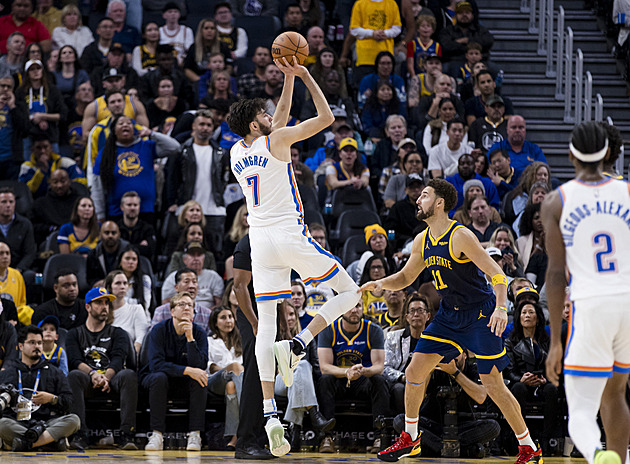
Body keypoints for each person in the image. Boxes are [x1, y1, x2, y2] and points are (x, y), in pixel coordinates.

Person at [226, 57, 362, 457]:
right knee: (350, 293)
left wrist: (286, 81)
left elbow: (278, 121)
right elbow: (326, 116)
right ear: (256, 123)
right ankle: (301, 343)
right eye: (263, 114)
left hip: (259, 240)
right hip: (289, 235)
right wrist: (304, 76)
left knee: (266, 325)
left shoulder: (237, 152)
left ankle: (270, 414)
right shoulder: (278, 141)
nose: (271, 115)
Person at [361, 178, 542, 464]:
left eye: (424, 195)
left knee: (493, 384)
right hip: (448, 314)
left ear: (439, 203)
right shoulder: (422, 239)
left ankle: (529, 447)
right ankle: (411, 437)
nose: (418, 200)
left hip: (480, 314)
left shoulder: (460, 236)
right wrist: (380, 283)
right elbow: (407, 277)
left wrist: (501, 307)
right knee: (414, 371)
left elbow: (496, 273)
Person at [543, 121, 630, 464]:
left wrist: (554, 341)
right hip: (627, 301)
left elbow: (554, 274)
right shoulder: (627, 192)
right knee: (616, 394)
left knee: (580, 409)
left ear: (570, 154)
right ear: (608, 153)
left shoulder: (555, 201)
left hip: (591, 304)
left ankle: (599, 456)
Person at [66, 287, 138, 450]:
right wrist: (93, 374)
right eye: (98, 303)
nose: (104, 306)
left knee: (129, 375)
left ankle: (126, 435)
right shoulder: (74, 334)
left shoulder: (118, 333)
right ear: (87, 307)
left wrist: (105, 376)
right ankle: (79, 434)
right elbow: (75, 360)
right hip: (87, 380)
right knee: (73, 375)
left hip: (111, 381)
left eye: (106, 303)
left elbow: (119, 359)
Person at [317, 300, 388, 453]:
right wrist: (346, 372)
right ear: (341, 309)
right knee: (324, 380)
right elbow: (324, 367)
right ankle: (326, 437)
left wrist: (362, 371)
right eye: (349, 306)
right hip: (340, 381)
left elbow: (379, 366)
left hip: (363, 380)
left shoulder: (373, 330)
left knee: (379, 381)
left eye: (358, 306)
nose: (354, 310)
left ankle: (379, 437)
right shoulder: (329, 330)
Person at [140, 291, 208, 451]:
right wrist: (187, 370)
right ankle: (156, 434)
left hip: (183, 383)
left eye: (190, 305)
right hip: (155, 379)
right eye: (181, 304)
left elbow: (200, 365)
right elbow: (156, 365)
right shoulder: (158, 330)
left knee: (200, 378)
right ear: (172, 311)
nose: (186, 308)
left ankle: (195, 434)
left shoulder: (199, 333)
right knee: (159, 377)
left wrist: (190, 338)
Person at [0, 325, 79, 451]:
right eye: (32, 342)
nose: (37, 346)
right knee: (2, 424)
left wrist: (52, 399)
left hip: (47, 422)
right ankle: (50, 442)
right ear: (20, 346)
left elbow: (69, 403)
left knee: (74, 420)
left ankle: (24, 444)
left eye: (39, 343)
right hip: (17, 422)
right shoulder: (7, 373)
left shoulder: (55, 372)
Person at [91, 115, 181, 222]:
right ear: (114, 130)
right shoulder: (105, 154)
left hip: (146, 210)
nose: (125, 125)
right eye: (121, 123)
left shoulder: (146, 146)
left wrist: (151, 133)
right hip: (116, 212)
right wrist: (99, 214)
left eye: (129, 123)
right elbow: (97, 186)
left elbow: (175, 147)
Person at [166, 110, 230, 258]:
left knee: (215, 252)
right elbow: (172, 179)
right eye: (201, 124)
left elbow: (224, 179)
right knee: (181, 249)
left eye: (209, 125)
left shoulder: (221, 153)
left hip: (214, 209)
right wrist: (172, 202)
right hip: (186, 207)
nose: (205, 128)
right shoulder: (182, 151)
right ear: (193, 126)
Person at [504, 301, 561, 456]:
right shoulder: (510, 341)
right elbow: (509, 371)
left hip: (541, 384)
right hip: (521, 383)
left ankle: (546, 439)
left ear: (538, 317)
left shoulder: (547, 341)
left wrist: (545, 380)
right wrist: (521, 378)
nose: (527, 316)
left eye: (530, 312)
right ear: (518, 317)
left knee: (551, 389)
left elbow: (554, 367)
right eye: (523, 313)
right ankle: (520, 439)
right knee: (518, 388)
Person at [384, 292, 432, 414]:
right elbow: (385, 367)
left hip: (428, 381)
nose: (416, 314)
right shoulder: (393, 337)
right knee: (400, 389)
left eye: (420, 310)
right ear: (407, 317)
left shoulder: (434, 340)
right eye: (412, 311)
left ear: (428, 316)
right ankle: (403, 426)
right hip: (402, 382)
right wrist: (403, 377)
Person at [207, 304, 243, 450]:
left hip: (236, 381)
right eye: (223, 318)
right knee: (234, 367)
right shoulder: (209, 341)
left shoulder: (240, 341)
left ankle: (234, 437)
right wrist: (229, 369)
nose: (228, 321)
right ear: (215, 322)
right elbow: (210, 366)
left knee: (232, 386)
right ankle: (248, 423)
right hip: (215, 380)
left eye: (230, 317)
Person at [349, 0, 402, 85]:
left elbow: (397, 28)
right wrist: (372, 33)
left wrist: (385, 33)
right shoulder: (360, 3)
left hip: (386, 56)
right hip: (365, 57)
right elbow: (354, 30)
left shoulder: (391, 3)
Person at [19, 134, 85, 199]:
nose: (42, 151)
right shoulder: (26, 167)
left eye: (45, 147)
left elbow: (81, 185)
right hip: (39, 203)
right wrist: (41, 172)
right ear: (32, 149)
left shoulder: (66, 163)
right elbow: (27, 192)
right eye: (38, 148)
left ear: (51, 148)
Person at [162, 241, 224, 308]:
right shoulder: (172, 277)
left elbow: (219, 304)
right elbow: (166, 304)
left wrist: (204, 314)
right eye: (192, 255)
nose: (196, 258)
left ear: (204, 259)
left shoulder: (214, 277)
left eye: (199, 255)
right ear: (184, 259)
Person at [487, 116, 547, 182]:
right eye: (513, 127)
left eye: (521, 127)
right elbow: (488, 167)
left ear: (525, 130)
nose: (517, 130)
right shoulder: (498, 147)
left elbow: (543, 169)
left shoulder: (534, 149)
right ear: (507, 130)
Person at [384, 173, 426, 248]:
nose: (416, 190)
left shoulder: (430, 207)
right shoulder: (397, 207)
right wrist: (408, 240)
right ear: (406, 190)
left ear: (424, 188)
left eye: (418, 187)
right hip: (404, 245)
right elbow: (391, 230)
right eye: (412, 187)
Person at [115, 191, 157, 261]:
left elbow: (151, 250)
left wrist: (123, 246)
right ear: (122, 207)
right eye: (129, 205)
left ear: (139, 207)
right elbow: (113, 250)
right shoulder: (116, 228)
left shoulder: (148, 228)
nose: (132, 208)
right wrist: (140, 247)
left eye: (135, 205)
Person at [85, 221, 129, 286]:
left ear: (119, 234)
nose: (110, 236)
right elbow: (90, 279)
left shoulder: (127, 251)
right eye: (106, 233)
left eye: (113, 233)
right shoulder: (93, 254)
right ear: (100, 234)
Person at [116, 245, 152, 313]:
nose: (131, 262)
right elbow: (112, 302)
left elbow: (145, 304)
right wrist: (135, 302)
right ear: (120, 262)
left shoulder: (145, 279)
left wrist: (121, 301)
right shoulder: (113, 278)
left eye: (134, 259)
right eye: (127, 258)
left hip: (140, 317)